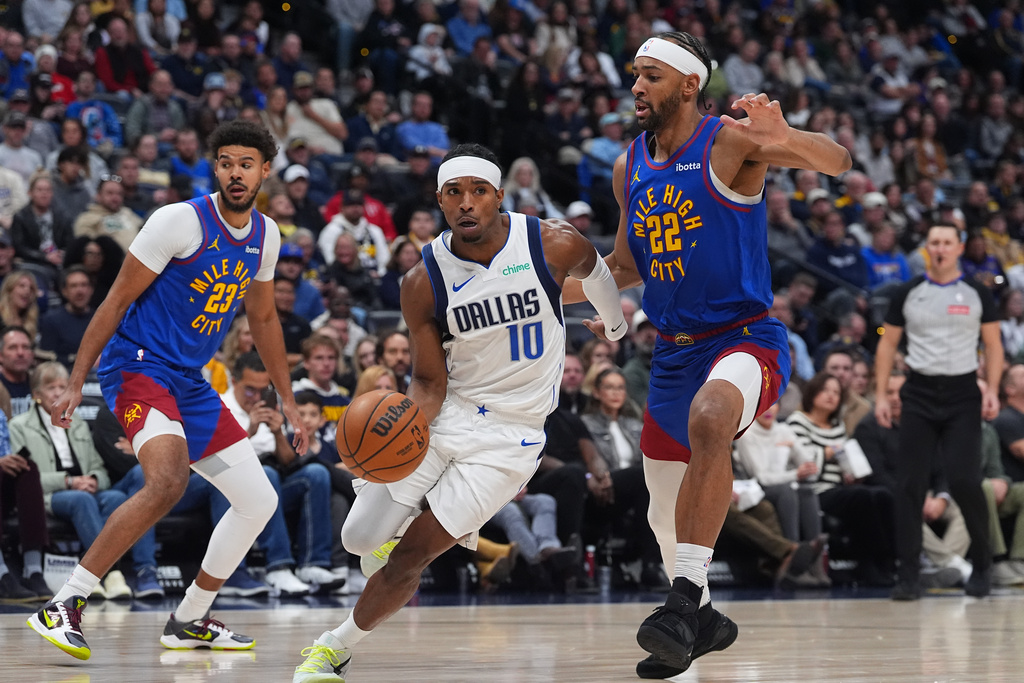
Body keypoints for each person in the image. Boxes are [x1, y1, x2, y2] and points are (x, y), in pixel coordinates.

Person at [560, 31, 851, 678]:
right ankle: (707, 619)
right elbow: (624, 266)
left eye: (652, 75)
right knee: (663, 512)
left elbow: (837, 160)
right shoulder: (628, 165)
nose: (636, 85)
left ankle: (683, 598)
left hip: (743, 336)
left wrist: (786, 134)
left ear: (689, 84)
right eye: (635, 73)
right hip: (672, 353)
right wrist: (540, 289)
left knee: (712, 416)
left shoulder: (728, 140)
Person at [291, 142, 628, 681]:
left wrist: (613, 324)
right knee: (359, 540)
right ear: (440, 200)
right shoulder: (422, 280)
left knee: (409, 559)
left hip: (511, 439)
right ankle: (416, 522)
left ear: (499, 195)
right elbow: (428, 381)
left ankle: (333, 648)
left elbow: (598, 272)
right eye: (454, 193)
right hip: (450, 410)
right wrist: (392, 431)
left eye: (478, 191)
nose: (466, 202)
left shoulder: (552, 241)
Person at [27, 120, 308, 661]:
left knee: (258, 500)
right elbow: (114, 301)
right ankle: (64, 603)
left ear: (265, 171)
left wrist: (289, 400)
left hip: (188, 379)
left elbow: (264, 318)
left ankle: (189, 618)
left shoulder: (267, 235)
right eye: (226, 163)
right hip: (138, 366)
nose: (235, 173)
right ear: (215, 168)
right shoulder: (179, 221)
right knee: (167, 482)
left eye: (246, 164)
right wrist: (78, 380)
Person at [874, 224, 1003, 601]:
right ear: (927, 249)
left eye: (947, 242)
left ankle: (982, 563)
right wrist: (881, 395)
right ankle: (908, 574)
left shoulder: (978, 292)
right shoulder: (908, 292)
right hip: (919, 393)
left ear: (959, 248)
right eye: (935, 243)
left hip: (963, 394)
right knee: (909, 484)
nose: (941, 248)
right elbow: (887, 345)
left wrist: (993, 389)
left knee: (965, 480)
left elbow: (993, 345)